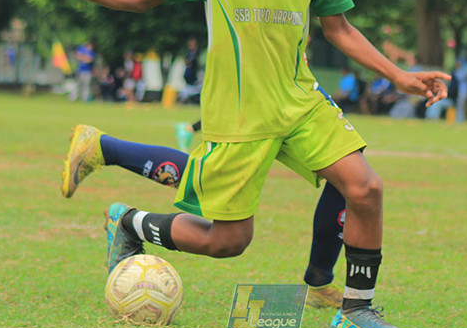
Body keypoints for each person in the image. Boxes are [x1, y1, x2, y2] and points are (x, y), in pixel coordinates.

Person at [31, 0, 449, 328]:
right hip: (239, 116)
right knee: (228, 242)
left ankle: (357, 308)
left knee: (365, 188)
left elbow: (338, 28)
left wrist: (401, 76)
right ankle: (129, 222)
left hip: (300, 104)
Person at [68, 125, 346, 309]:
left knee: (348, 168)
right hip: (265, 86)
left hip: (296, 83)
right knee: (226, 219)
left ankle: (319, 283)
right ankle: (111, 169)